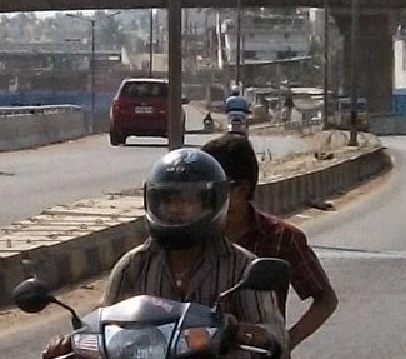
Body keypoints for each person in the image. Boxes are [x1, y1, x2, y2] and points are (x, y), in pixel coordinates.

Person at [42, 148, 287, 359]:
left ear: (214, 202)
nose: (177, 209)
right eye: (168, 200)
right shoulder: (133, 266)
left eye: (190, 201)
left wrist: (258, 335)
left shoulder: (242, 267)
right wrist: (73, 342)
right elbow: (103, 325)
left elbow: (275, 333)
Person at [202, 134, 338, 351]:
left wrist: (286, 342)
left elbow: (325, 299)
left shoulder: (281, 238)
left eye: (212, 188)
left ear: (241, 189)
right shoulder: (193, 234)